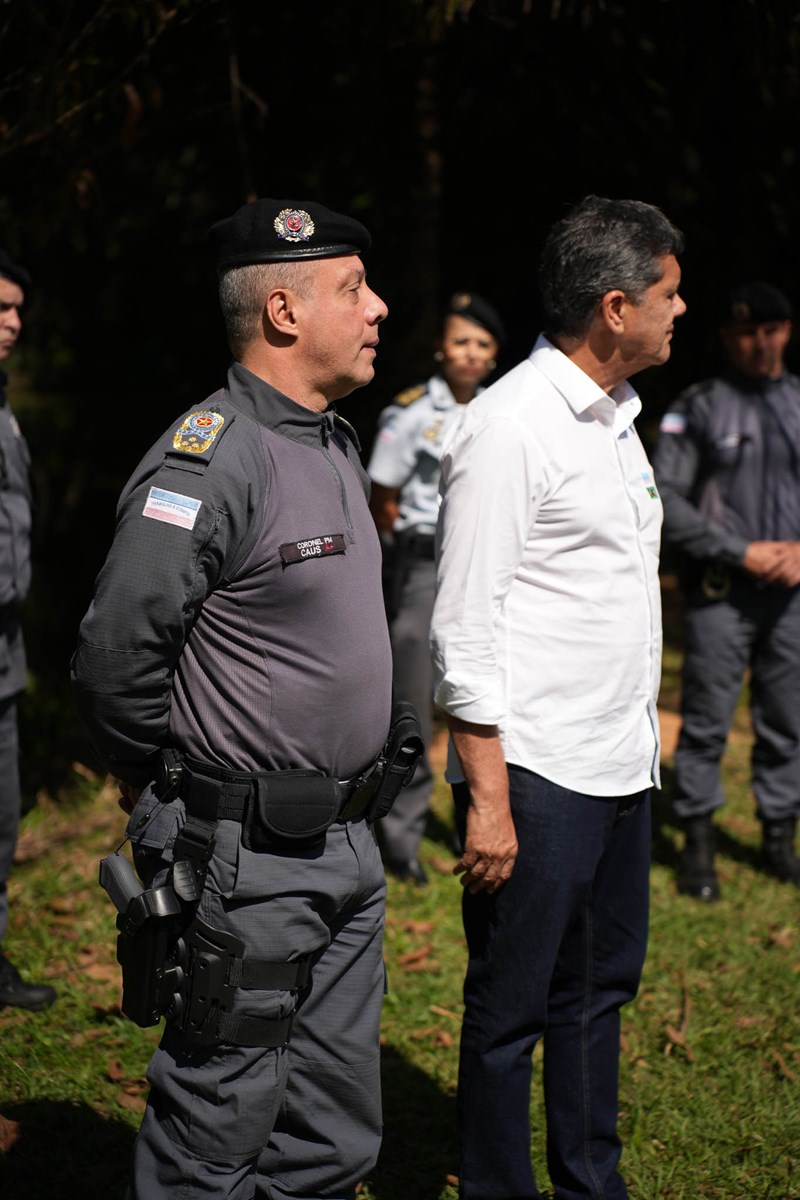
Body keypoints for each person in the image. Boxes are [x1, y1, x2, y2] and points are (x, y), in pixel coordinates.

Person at [71, 198, 411, 1200]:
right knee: (216, 1125)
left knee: (331, 1134)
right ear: (282, 312)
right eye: (353, 289)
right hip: (244, 859)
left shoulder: (334, 444)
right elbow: (113, 657)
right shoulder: (213, 456)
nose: (379, 308)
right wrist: (176, 786)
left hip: (347, 847)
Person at [430, 194, 686, 1200]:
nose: (681, 308)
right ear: (614, 307)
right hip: (532, 776)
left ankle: (590, 1183)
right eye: (668, 292)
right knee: (510, 1011)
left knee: (599, 993)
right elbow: (463, 624)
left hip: (617, 764)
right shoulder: (507, 427)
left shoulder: (617, 421)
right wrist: (487, 797)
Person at [652, 280, 800, 901]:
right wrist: (739, 551)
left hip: (792, 593)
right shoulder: (701, 406)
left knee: (788, 720)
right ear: (726, 338)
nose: (758, 344)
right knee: (708, 722)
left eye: (769, 330)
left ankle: (777, 837)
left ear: (786, 333)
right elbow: (665, 496)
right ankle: (699, 842)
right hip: (721, 592)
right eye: (745, 332)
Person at [366, 291, 505, 884]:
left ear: (495, 355)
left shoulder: (506, 410)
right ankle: (401, 839)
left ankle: (488, 820)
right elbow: (385, 499)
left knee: (490, 699)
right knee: (414, 706)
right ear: (441, 349)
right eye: (460, 342)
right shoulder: (413, 411)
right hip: (426, 568)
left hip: (496, 566)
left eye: (482, 344)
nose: (470, 354)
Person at [0, 246, 57, 1014]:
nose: (13, 324)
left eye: (16, 310)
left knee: (2, 815)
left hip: (4, 644)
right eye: (0, 309)